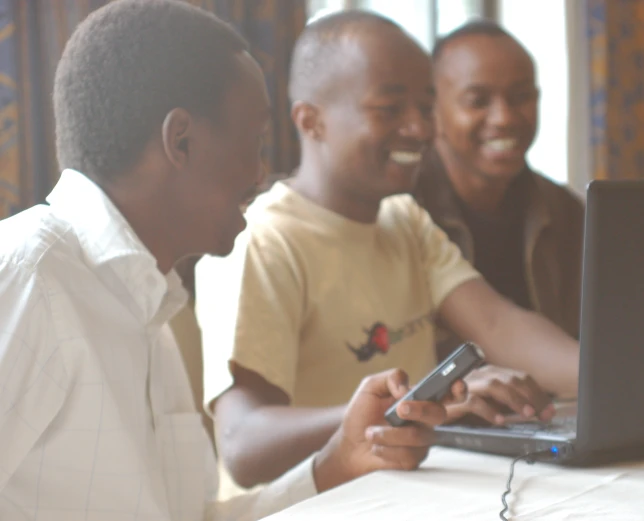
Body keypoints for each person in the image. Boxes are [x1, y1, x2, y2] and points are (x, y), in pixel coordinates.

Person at [0, 2, 463, 519]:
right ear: (181, 141)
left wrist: (336, 462)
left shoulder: (146, 308)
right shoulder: (30, 274)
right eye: (256, 140)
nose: (262, 172)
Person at [195, 10, 580, 491]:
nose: (420, 129)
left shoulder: (404, 220)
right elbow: (243, 446)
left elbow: (500, 325)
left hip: (402, 494)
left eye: (425, 107)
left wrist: (618, 378)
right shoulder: (263, 242)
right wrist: (410, 407)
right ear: (311, 121)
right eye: (390, 109)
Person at [414, 20, 585, 360]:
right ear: (433, 109)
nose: (504, 118)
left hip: (552, 401)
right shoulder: (405, 212)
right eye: (478, 101)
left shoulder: (565, 211)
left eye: (521, 97)